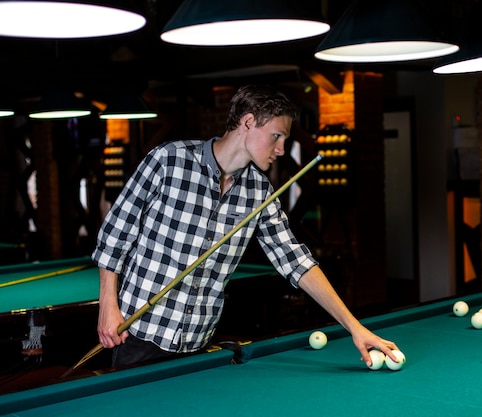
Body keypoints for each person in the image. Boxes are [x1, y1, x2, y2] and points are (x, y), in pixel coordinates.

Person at [92, 84, 399, 368]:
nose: (281, 149)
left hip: (197, 343)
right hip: (140, 335)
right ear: (248, 122)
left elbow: (296, 261)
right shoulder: (168, 161)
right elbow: (115, 235)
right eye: (276, 136)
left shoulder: (259, 192)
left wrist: (354, 327)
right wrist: (108, 305)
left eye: (285, 140)